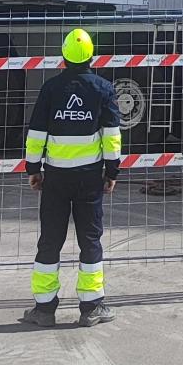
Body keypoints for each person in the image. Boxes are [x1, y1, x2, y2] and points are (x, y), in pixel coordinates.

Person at [23, 27, 121, 327]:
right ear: (92, 56)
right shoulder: (103, 89)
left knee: (50, 239)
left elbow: (37, 133)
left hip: (54, 179)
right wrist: (111, 172)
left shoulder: (50, 89)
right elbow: (112, 137)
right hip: (89, 179)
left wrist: (33, 169)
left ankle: (43, 309)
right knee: (90, 239)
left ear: (63, 56)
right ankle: (91, 307)